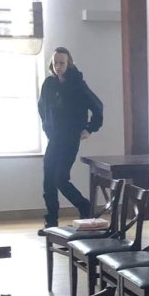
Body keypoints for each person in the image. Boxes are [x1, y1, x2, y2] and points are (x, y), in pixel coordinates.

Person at [37, 46, 103, 231]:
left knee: (60, 178)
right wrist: (47, 126)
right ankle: (51, 222)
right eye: (55, 63)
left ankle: (84, 206)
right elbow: (42, 107)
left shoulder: (77, 85)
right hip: (54, 138)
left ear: (69, 63)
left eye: (62, 63)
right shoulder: (49, 84)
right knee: (48, 180)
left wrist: (89, 128)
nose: (58, 67)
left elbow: (97, 106)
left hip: (70, 139)